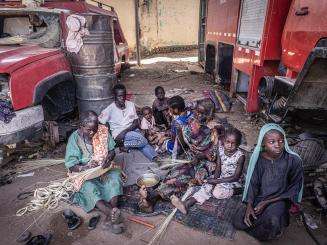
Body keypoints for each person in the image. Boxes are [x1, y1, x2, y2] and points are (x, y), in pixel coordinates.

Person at [233, 123, 303, 241]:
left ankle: (273, 228)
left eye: (281, 141)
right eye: (272, 142)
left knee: (272, 220)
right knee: (238, 220)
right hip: (260, 198)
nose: (277, 145)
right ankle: (269, 227)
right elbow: (253, 184)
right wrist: (250, 204)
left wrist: (266, 202)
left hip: (280, 199)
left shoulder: (293, 160)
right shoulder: (259, 159)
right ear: (263, 144)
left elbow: (295, 188)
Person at [64, 111, 124, 233]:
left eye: (94, 129)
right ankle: (112, 213)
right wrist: (84, 167)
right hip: (84, 174)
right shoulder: (74, 139)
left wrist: (108, 158)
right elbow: (71, 165)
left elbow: (112, 151)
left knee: (115, 178)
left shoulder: (102, 131)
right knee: (89, 188)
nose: (92, 132)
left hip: (103, 169)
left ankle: (111, 214)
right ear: (81, 126)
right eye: (88, 130)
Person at [175, 127, 245, 214]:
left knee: (217, 193)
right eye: (228, 142)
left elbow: (235, 177)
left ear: (238, 145)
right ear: (224, 141)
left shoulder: (240, 156)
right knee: (207, 186)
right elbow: (218, 168)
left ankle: (239, 190)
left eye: (233, 143)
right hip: (221, 177)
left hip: (233, 181)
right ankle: (186, 204)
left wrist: (216, 181)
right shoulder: (221, 150)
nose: (230, 146)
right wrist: (214, 182)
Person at [99, 84, 157, 161]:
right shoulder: (109, 109)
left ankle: (155, 158)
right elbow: (100, 122)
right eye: (119, 96)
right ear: (114, 96)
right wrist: (109, 137)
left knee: (141, 140)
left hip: (130, 131)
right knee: (143, 140)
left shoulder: (131, 105)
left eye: (124, 95)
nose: (122, 98)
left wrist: (126, 131)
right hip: (119, 134)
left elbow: (136, 121)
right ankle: (120, 145)